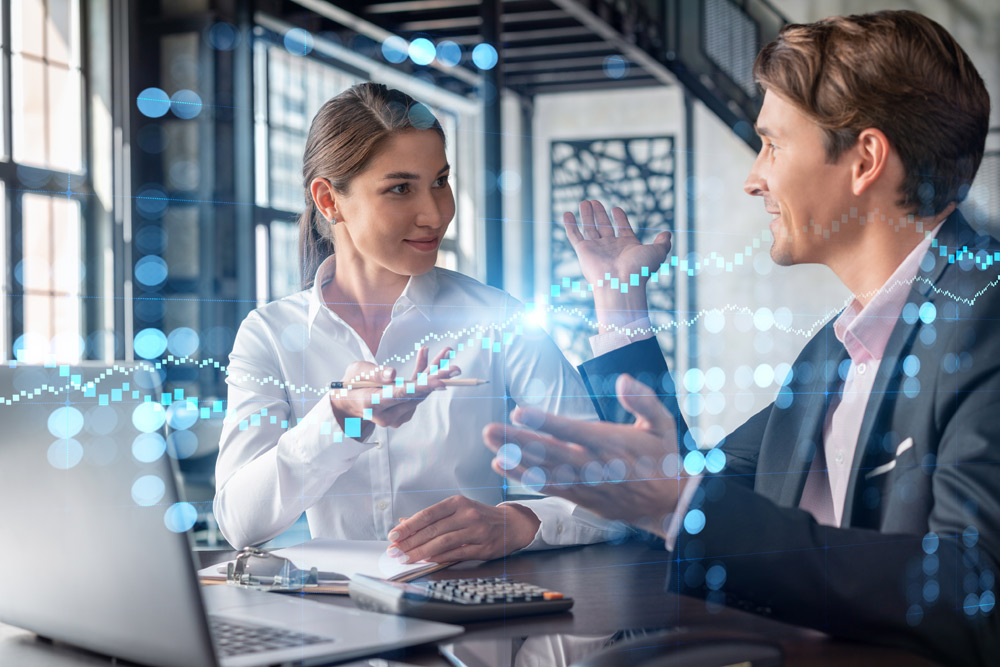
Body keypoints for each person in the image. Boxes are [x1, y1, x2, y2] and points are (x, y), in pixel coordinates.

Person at [484, 11, 998, 666]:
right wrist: (621, 303)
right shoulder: (834, 352)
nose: (754, 176)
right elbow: (690, 486)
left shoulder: (985, 318)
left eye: (773, 144)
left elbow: (973, 587)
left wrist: (683, 501)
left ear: (865, 159)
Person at [214, 83, 620, 562]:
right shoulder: (268, 335)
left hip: (472, 617)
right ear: (329, 200)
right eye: (400, 189)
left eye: (440, 181)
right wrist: (339, 416)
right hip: (335, 620)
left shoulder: (497, 320)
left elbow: (614, 492)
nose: (436, 213)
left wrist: (515, 523)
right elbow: (240, 523)